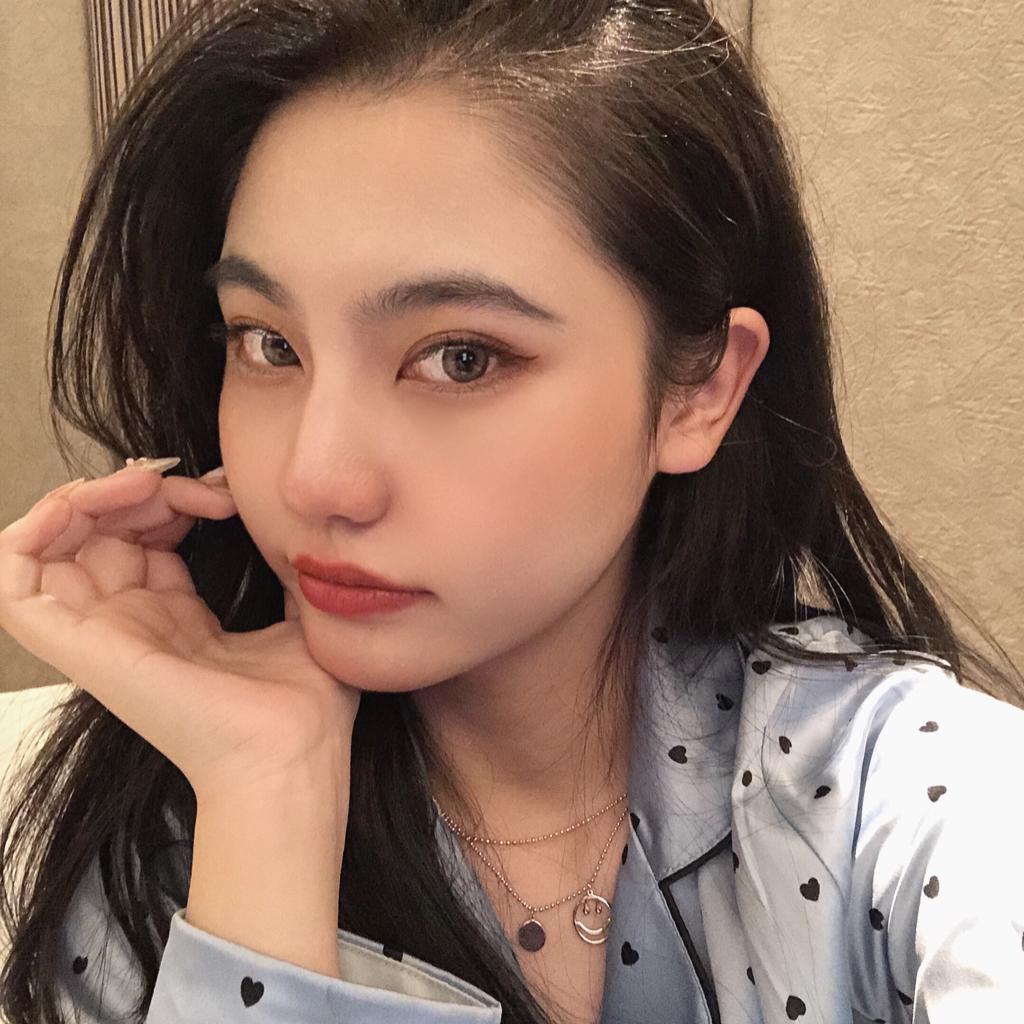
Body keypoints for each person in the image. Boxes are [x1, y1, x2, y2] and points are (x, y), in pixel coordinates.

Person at [0, 1, 1021, 1022]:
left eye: (461, 358)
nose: (314, 480)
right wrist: (266, 792)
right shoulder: (158, 839)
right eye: (269, 344)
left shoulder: (908, 805)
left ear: (699, 389)